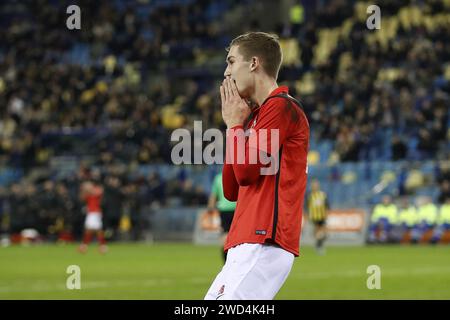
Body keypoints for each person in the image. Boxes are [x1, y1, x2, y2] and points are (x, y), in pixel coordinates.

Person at [204, 32, 309, 300]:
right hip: (245, 241)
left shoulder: (281, 107)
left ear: (253, 63)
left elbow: (248, 172)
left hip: (264, 239)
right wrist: (237, 125)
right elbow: (231, 188)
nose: (227, 72)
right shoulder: (257, 116)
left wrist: (235, 125)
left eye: (230, 62)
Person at [207, 171, 237, 263]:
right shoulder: (237, 175)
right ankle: (234, 259)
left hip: (223, 209)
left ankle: (226, 261)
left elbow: (213, 195)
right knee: (237, 235)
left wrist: (210, 208)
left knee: (225, 234)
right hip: (237, 208)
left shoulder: (218, 178)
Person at [78, 171, 108, 254]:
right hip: (91, 212)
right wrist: (84, 190)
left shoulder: (98, 188)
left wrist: (88, 189)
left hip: (95, 212)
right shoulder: (87, 191)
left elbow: (99, 192)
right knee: (89, 230)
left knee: (97, 230)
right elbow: (82, 198)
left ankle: (102, 246)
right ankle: (86, 246)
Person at [306, 179, 329, 255]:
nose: (314, 187)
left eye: (316, 185)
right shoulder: (310, 196)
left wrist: (326, 214)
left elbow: (327, 206)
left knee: (324, 233)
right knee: (318, 233)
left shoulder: (322, 195)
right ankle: (319, 247)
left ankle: (318, 245)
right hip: (314, 217)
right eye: (313, 185)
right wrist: (307, 216)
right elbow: (307, 207)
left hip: (322, 216)